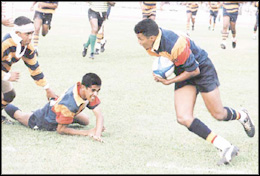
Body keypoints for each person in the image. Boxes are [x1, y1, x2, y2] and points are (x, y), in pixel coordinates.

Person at [134, 19, 255, 165]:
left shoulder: (173, 44)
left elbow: (194, 70)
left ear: (151, 38)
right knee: (183, 117)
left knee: (219, 114)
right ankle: (225, 146)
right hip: (184, 70)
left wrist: (169, 81)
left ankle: (243, 115)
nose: (139, 42)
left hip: (201, 69)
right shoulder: (153, 42)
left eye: (140, 39)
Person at [4, 73, 105, 142]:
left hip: (58, 108)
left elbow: (99, 114)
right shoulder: (69, 104)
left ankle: (65, 117)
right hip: (44, 120)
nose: (96, 94)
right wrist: (87, 132)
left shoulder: (86, 91)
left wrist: (97, 133)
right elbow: (60, 130)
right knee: (20, 116)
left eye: (98, 90)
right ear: (83, 87)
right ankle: (4, 104)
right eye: (93, 90)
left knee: (86, 120)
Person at [1, 16, 57, 124]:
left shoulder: (27, 47)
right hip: (4, 74)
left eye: (32, 33)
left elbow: (34, 68)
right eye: (27, 34)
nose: (31, 37)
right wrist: (7, 76)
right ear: (18, 33)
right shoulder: (5, 44)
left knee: (9, 95)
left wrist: (47, 88)